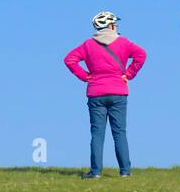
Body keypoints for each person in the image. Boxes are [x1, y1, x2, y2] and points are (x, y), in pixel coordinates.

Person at [63, 11, 147, 179]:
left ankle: (95, 172)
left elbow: (69, 59)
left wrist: (85, 76)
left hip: (96, 93)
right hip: (118, 92)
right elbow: (141, 55)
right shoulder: (124, 42)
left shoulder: (88, 45)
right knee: (119, 133)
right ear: (110, 25)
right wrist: (129, 74)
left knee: (97, 133)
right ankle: (125, 172)